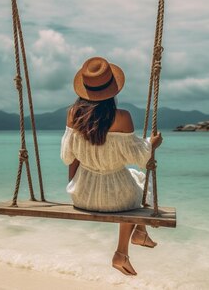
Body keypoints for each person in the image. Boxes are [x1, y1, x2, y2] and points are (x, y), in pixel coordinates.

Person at [60, 57, 163, 276]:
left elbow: (68, 156)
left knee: (131, 184)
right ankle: (125, 247)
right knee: (139, 181)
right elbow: (140, 158)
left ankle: (138, 235)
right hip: (119, 201)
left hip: (82, 196)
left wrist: (73, 184)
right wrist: (152, 144)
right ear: (112, 91)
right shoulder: (122, 117)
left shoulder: (72, 115)